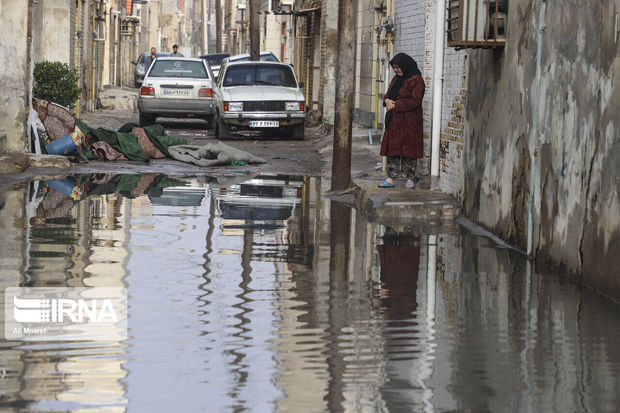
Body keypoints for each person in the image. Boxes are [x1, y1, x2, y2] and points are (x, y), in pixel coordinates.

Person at [378, 53, 425, 189]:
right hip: (394, 122)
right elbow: (388, 94)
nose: (396, 70)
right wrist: (386, 101)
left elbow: (415, 101)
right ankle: (391, 178)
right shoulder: (396, 79)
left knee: (409, 150)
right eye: (394, 68)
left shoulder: (416, 80)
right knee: (392, 150)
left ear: (405, 65)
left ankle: (410, 178)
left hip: (410, 123)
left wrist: (396, 105)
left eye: (398, 67)